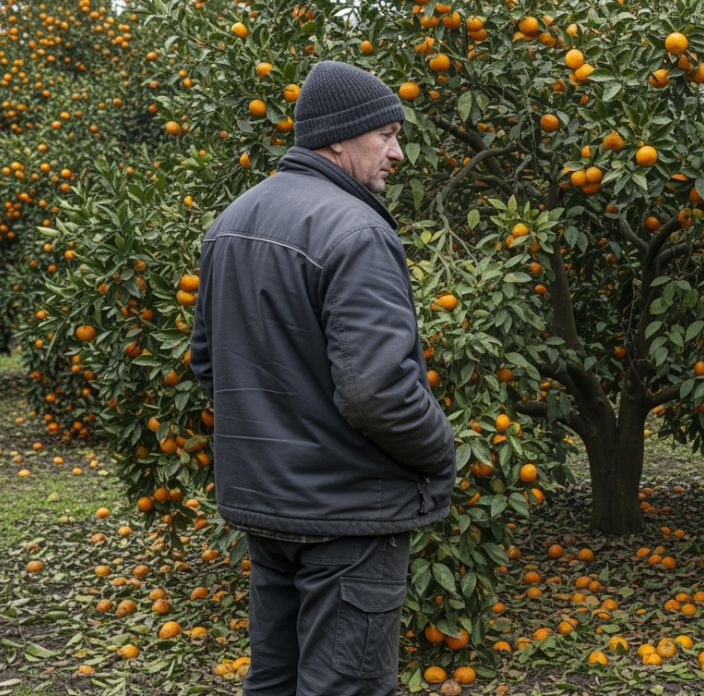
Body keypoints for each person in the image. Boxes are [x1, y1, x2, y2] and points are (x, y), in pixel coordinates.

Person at [190, 60, 456, 696]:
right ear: (338, 137)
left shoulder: (231, 221)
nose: (398, 152)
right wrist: (441, 450)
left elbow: (207, 364)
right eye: (385, 136)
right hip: (347, 515)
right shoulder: (357, 230)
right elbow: (378, 392)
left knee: (274, 681)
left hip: (269, 508)